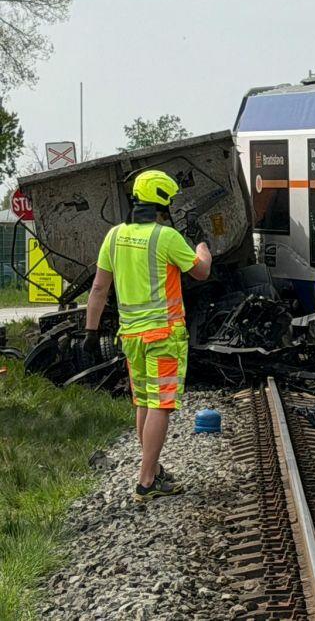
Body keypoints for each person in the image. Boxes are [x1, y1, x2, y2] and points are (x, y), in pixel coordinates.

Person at [84, 170, 212, 501]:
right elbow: (200, 271)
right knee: (162, 405)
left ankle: (152, 469)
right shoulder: (165, 237)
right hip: (164, 336)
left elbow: (99, 287)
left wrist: (90, 331)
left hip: (131, 337)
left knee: (143, 401)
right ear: (164, 204)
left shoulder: (114, 236)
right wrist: (202, 247)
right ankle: (146, 480)